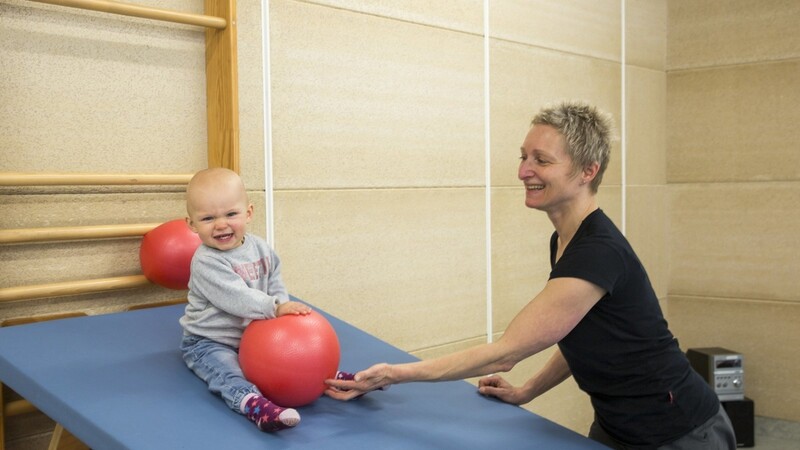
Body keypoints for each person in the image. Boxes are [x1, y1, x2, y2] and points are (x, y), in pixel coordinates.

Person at [326, 101, 737, 449]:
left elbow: (507, 353)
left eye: (542, 160)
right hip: (618, 425)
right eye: (524, 156)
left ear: (587, 171)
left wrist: (395, 374)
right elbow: (579, 334)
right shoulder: (566, 240)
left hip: (681, 431)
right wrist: (528, 392)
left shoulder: (597, 253)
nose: (524, 170)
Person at [178, 167, 312, 432]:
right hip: (209, 342)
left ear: (248, 213)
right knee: (228, 373)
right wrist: (275, 309)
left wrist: (283, 315)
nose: (221, 224)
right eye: (207, 218)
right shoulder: (206, 261)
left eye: (231, 214)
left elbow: (274, 278)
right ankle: (252, 404)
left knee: (294, 361)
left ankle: (323, 380)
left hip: (252, 340)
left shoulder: (260, 247)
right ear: (191, 224)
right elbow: (238, 297)